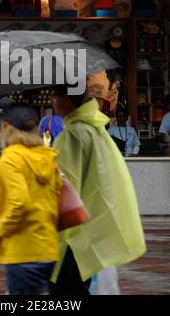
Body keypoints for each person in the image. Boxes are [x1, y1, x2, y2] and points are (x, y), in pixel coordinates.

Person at [49, 86, 146, 296]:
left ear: (66, 99)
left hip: (70, 234)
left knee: (66, 289)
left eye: (55, 96)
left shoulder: (73, 134)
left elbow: (64, 186)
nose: (52, 101)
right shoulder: (94, 128)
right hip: (89, 227)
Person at [0, 104, 62, 295]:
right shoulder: (47, 156)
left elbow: (19, 202)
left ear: (7, 128)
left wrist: (0, 228)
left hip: (22, 250)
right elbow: (57, 195)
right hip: (48, 248)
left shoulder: (11, 159)